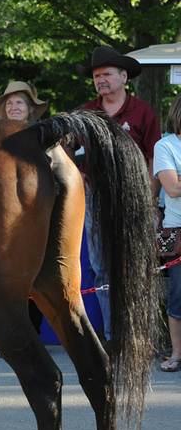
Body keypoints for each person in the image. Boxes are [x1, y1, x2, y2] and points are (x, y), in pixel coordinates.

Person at [76, 46, 160, 340]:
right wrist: (79, 177)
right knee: (101, 269)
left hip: (135, 198)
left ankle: (142, 337)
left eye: (107, 74)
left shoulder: (143, 111)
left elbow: (154, 157)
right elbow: (68, 151)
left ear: (124, 77)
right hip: (96, 198)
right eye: (96, 76)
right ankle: (115, 338)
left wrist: (150, 201)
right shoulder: (85, 113)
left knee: (137, 268)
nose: (101, 80)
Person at [0, 80, 50, 335]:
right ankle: (8, 335)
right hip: (1, 216)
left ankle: (32, 334)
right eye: (10, 103)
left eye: (19, 103)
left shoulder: (43, 135)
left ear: (30, 109)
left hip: (35, 213)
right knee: (4, 275)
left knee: (34, 275)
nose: (14, 107)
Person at [153, 93, 181, 373]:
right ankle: (176, 353)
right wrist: (175, 180)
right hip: (179, 230)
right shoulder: (166, 145)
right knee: (179, 295)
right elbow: (172, 188)